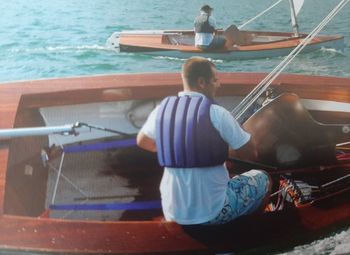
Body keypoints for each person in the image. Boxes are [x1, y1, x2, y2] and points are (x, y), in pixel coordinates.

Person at [137, 57, 271, 225]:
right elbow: (251, 154)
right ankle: (248, 229)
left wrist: (178, 149)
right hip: (212, 213)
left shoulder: (162, 109)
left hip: (173, 213)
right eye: (215, 80)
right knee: (263, 179)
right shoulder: (217, 113)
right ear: (201, 82)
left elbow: (143, 141)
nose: (218, 85)